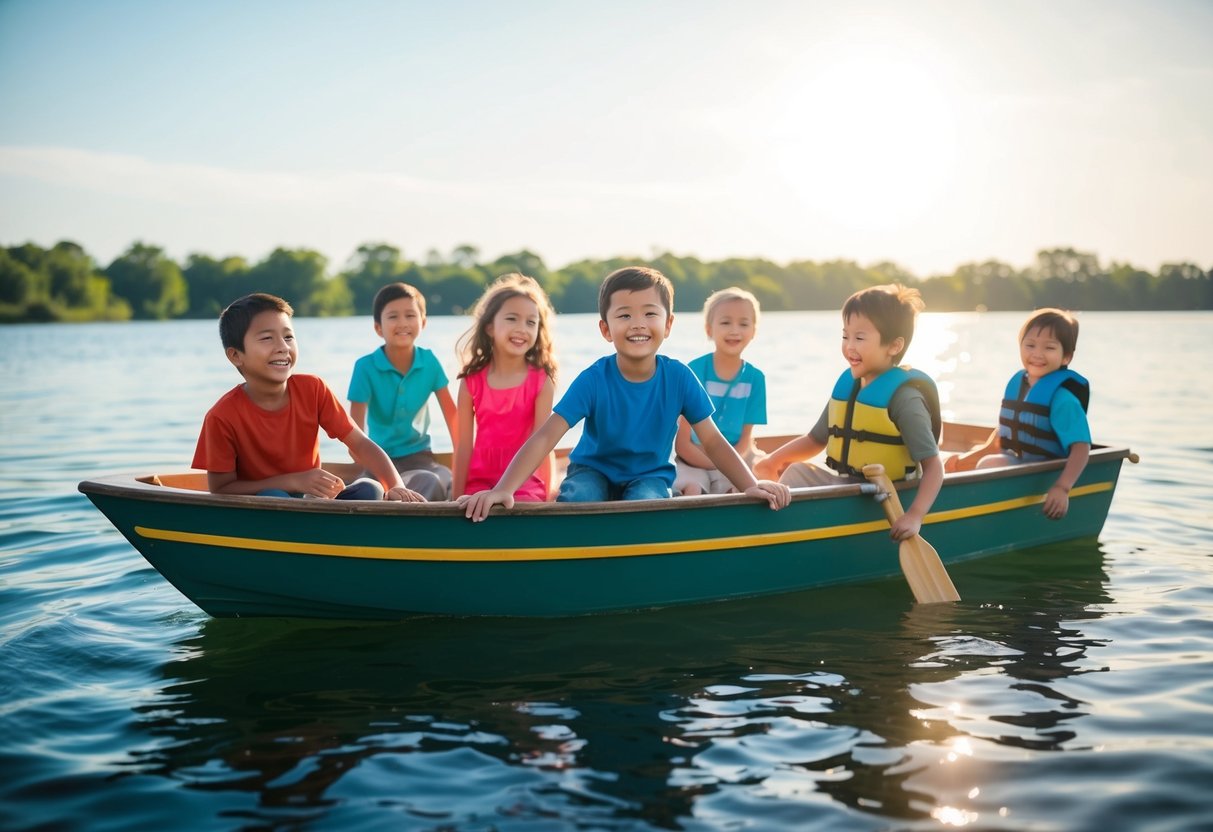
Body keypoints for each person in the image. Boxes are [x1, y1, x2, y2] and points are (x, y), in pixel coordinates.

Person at [459, 266, 791, 521]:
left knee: (644, 504)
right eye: (624, 315)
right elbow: (546, 437)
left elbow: (715, 442)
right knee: (582, 497)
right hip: (593, 469)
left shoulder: (680, 377)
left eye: (650, 313)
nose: (637, 323)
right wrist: (503, 489)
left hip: (649, 474)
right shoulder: (593, 379)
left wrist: (750, 485)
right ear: (605, 328)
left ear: (669, 324)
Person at [754, 284, 942, 541]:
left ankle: (782, 532)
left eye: (860, 338)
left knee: (797, 481)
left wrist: (915, 515)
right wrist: (772, 461)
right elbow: (815, 440)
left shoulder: (905, 399)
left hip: (883, 494)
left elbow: (933, 467)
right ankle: (775, 529)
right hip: (850, 485)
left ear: (894, 345)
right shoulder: (850, 385)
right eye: (845, 336)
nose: (849, 346)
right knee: (797, 471)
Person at [192, 293, 423, 501]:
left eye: (288, 337)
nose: (283, 347)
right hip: (265, 507)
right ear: (235, 355)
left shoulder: (312, 389)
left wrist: (395, 485)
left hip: (313, 500)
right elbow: (221, 488)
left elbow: (360, 443)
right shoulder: (222, 416)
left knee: (370, 490)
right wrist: (292, 481)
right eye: (266, 338)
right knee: (274, 497)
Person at [944, 308, 1091, 519]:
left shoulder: (1063, 400)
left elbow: (1081, 449)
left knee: (988, 465)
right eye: (1030, 345)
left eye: (1049, 348)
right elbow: (1000, 439)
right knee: (961, 460)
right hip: (1018, 463)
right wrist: (962, 460)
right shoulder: (1018, 386)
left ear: (1066, 356)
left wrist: (1062, 488)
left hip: (1043, 472)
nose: (1037, 354)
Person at [451, 273, 558, 501]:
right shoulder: (471, 381)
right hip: (479, 479)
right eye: (512, 319)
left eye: (531, 322)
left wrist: (548, 499)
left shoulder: (541, 381)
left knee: (521, 505)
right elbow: (463, 447)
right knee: (469, 506)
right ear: (490, 327)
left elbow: (544, 445)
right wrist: (454, 497)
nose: (522, 328)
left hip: (524, 481)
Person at [347, 282, 458, 500]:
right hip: (378, 461)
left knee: (438, 479)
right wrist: (365, 463)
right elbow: (353, 431)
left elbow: (452, 416)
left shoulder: (429, 362)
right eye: (393, 316)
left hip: (420, 459)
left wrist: (463, 458)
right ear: (378, 328)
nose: (402, 323)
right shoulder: (365, 367)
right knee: (368, 489)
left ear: (423, 322)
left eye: (410, 315)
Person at [673, 287, 768, 496]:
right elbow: (682, 445)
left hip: (737, 456)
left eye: (743, 323)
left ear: (754, 331)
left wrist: (727, 466)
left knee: (744, 486)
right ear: (709, 329)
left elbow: (745, 441)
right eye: (725, 322)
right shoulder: (694, 371)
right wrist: (714, 464)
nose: (735, 330)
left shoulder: (755, 378)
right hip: (693, 457)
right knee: (692, 488)